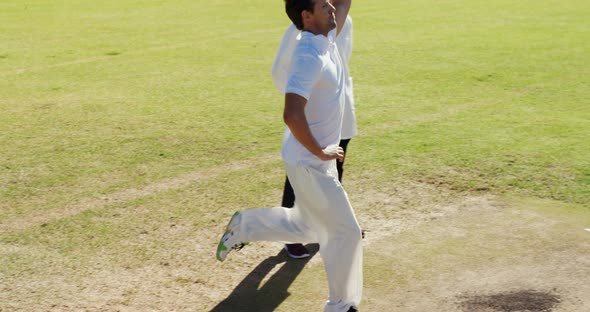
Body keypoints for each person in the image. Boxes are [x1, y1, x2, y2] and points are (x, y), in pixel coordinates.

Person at [216, 1, 362, 311]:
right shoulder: (308, 55)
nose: (332, 9)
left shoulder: (327, 38)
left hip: (309, 160)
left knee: (308, 227)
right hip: (309, 161)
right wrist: (320, 151)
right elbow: (292, 114)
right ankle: (342, 306)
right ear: (306, 17)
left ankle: (246, 225)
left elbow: (344, 3)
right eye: (324, 6)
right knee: (345, 232)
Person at [271, 14, 357, 259]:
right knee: (301, 172)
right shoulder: (303, 27)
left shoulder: (341, 19)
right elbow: (280, 68)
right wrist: (302, 99)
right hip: (313, 111)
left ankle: (333, 226)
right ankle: (290, 232)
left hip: (338, 106)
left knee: (334, 169)